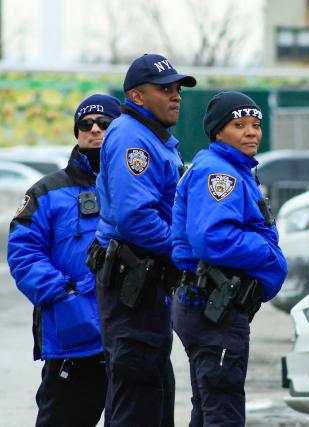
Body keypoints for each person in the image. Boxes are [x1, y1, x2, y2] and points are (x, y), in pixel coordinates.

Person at [90, 53, 196, 427]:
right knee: (137, 399)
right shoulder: (132, 139)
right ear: (137, 96)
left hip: (147, 286)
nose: (175, 96)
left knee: (152, 392)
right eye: (164, 89)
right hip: (132, 284)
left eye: (177, 89)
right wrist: (185, 252)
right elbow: (137, 219)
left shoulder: (153, 137)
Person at [171, 91, 288, 426]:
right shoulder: (219, 173)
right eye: (239, 125)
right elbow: (214, 239)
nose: (251, 132)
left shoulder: (234, 168)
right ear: (219, 132)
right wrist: (270, 255)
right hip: (213, 306)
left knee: (209, 406)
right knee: (223, 408)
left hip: (213, 305)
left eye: (255, 124)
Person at [8, 94, 121, 426]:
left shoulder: (138, 187)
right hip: (73, 341)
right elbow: (23, 254)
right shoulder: (46, 192)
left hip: (131, 335)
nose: (95, 129)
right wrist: (63, 294)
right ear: (77, 132)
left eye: (104, 123)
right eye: (86, 124)